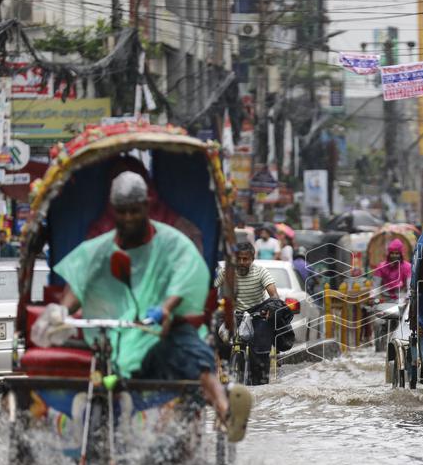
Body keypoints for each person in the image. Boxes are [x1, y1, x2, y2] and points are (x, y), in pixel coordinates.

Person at [33, 171, 250, 440]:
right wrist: (61, 311)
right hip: (116, 333)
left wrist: (165, 308)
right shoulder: (99, 248)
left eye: (134, 211)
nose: (128, 218)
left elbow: (182, 279)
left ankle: (225, 410)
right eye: (122, 212)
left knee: (195, 358)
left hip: (162, 329)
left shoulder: (172, 243)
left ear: (146, 206)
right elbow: (78, 285)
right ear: (114, 211)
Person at [214, 241, 294, 384]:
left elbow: (274, 295)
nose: (241, 262)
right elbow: (212, 290)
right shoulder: (226, 272)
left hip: (257, 314)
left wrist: (271, 309)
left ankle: (260, 383)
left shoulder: (261, 272)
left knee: (259, 353)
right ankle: (225, 371)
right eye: (238, 259)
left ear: (252, 259)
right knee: (220, 339)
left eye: (245, 259)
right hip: (233, 313)